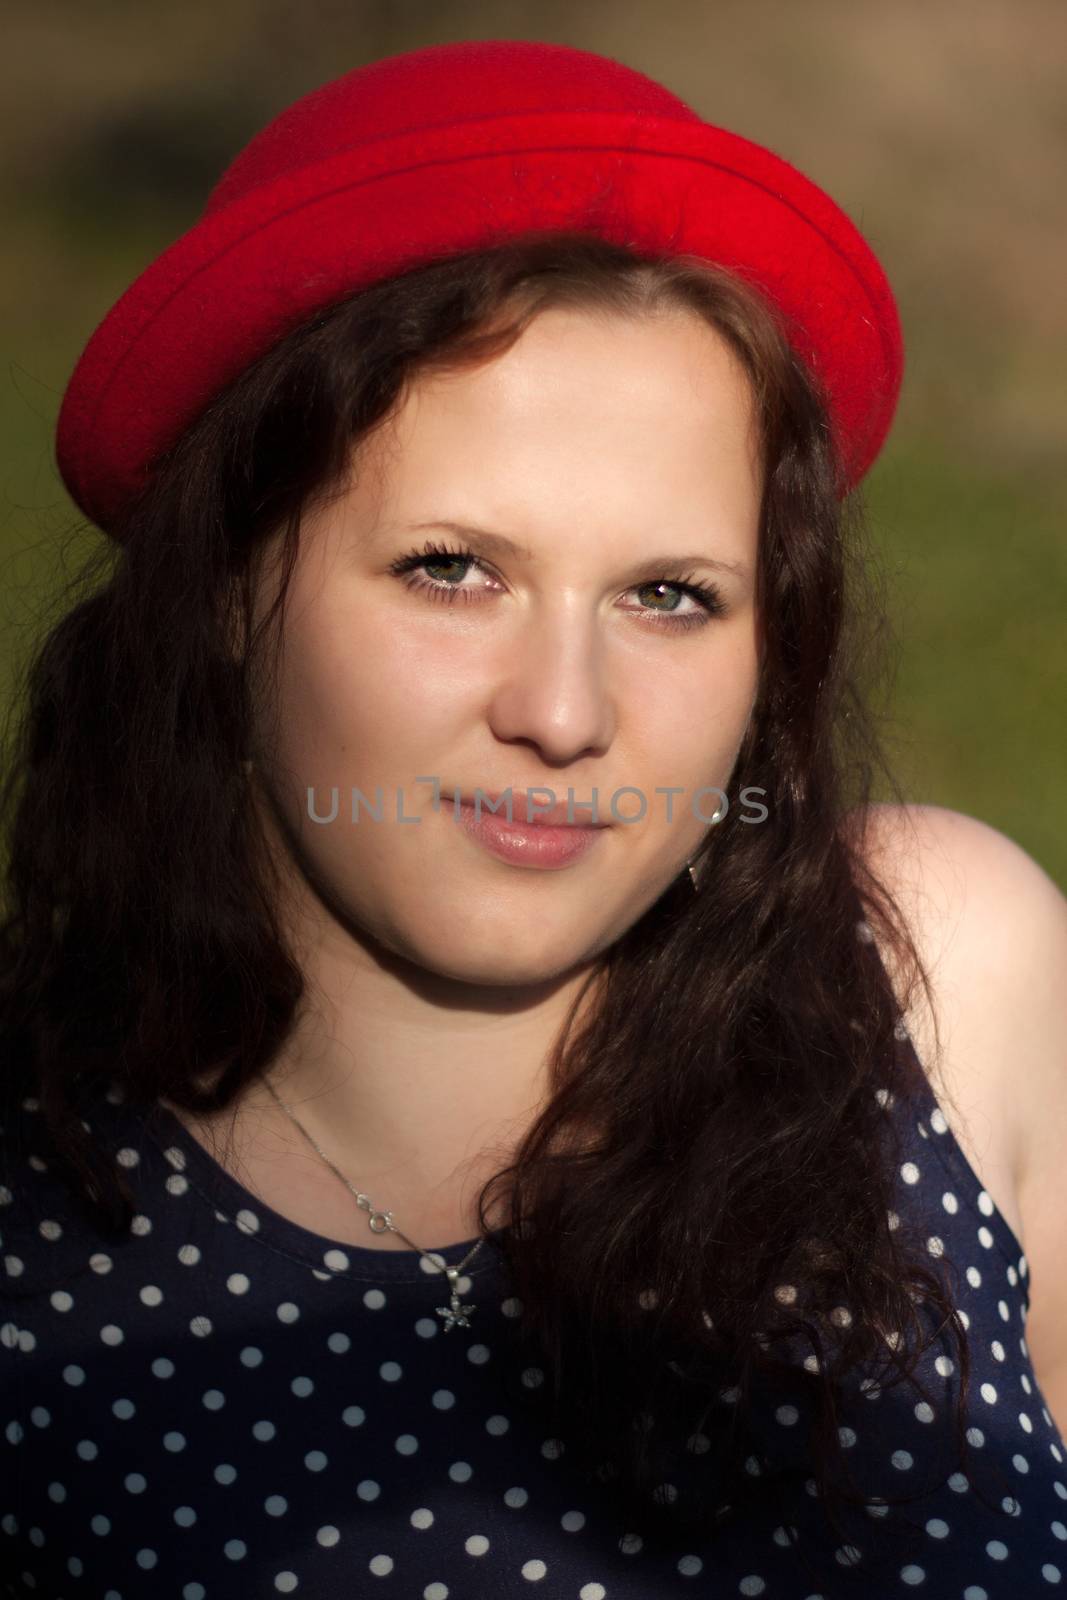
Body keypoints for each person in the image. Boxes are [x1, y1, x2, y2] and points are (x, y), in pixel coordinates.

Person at [3, 37, 1066, 1599]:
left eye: (668, 595)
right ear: (226, 585)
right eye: (452, 569)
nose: (563, 713)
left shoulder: (937, 979)